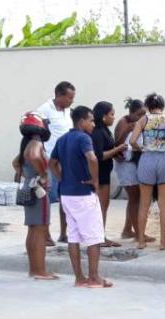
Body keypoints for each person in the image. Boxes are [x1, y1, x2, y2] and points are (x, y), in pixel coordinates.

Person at [49, 106, 112, 288]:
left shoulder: (62, 140)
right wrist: (95, 180)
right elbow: (92, 159)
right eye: (91, 120)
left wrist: (61, 178)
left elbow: (52, 162)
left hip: (67, 194)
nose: (93, 124)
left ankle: (79, 278)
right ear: (82, 121)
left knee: (74, 237)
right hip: (84, 194)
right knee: (94, 237)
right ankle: (94, 278)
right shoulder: (84, 138)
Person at [130, 93, 165, 250]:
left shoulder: (143, 120)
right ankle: (163, 242)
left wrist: (143, 148)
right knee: (163, 203)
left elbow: (132, 141)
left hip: (147, 160)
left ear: (147, 106)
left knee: (144, 204)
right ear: (163, 106)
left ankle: (140, 241)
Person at [12, 112, 58, 280]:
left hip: (29, 187)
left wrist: (26, 175)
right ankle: (39, 270)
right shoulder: (36, 142)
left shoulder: (26, 143)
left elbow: (16, 162)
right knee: (39, 231)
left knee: (33, 230)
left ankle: (34, 269)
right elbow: (33, 156)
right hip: (38, 191)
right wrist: (42, 175)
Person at [36, 81, 75, 245]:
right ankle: (45, 234)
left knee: (64, 198)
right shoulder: (44, 110)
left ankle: (64, 233)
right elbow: (39, 136)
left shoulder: (69, 111)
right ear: (59, 95)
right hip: (49, 160)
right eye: (69, 97)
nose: (71, 101)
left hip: (66, 159)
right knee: (46, 199)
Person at [114, 98, 154, 242]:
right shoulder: (125, 124)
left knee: (134, 199)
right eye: (139, 114)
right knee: (135, 199)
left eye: (144, 114)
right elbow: (120, 143)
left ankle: (127, 230)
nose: (142, 117)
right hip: (126, 164)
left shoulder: (136, 123)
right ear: (130, 113)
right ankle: (139, 234)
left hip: (133, 163)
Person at [91, 101, 127, 247]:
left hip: (105, 172)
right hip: (99, 174)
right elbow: (99, 155)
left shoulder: (105, 130)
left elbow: (109, 150)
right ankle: (99, 238)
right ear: (104, 116)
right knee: (100, 207)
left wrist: (116, 153)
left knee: (103, 206)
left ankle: (100, 235)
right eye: (111, 114)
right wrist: (117, 149)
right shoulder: (98, 132)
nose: (113, 117)